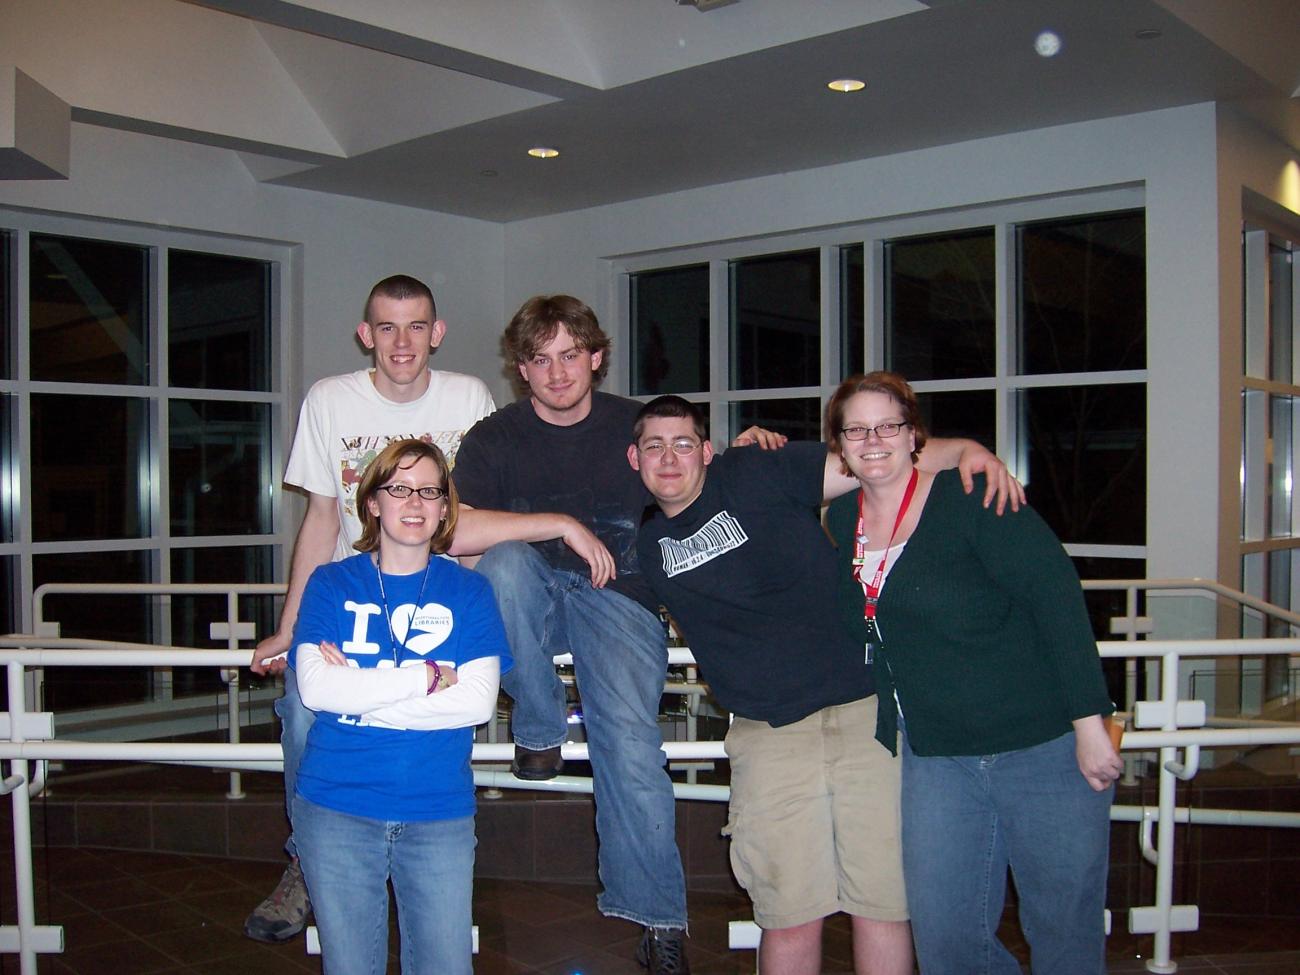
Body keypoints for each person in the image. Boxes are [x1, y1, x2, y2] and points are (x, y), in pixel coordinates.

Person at [452, 295, 1021, 975]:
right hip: (599, 633)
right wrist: (559, 525)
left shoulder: (717, 462)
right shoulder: (516, 452)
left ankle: (657, 918)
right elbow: (451, 533)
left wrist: (969, 451)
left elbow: (876, 459)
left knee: (637, 750)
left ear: (597, 357)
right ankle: (539, 726)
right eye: (540, 358)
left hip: (763, 661)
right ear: (522, 368)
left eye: (571, 353)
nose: (557, 371)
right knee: (507, 560)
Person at [246, 275, 611, 943]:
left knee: (436, 716)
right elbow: (322, 517)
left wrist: (459, 613)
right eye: (387, 327)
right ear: (367, 335)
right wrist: (292, 625)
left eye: (416, 326)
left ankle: (424, 850)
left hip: (438, 599)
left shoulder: (468, 397)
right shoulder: (329, 399)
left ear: (436, 333)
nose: (402, 341)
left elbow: (469, 515)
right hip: (349, 598)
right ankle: (305, 858)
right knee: (304, 706)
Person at [823, 371, 1122, 975]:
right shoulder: (837, 522)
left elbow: (1056, 598)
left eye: (889, 425)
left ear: (915, 437)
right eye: (857, 428)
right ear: (840, 445)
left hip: (1042, 745)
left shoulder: (971, 496)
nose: (873, 439)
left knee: (1062, 926)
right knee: (947, 938)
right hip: (938, 758)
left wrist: (1090, 723)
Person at [290, 438, 511, 974]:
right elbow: (316, 691)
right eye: (399, 489)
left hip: (438, 810)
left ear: (443, 507)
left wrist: (360, 697)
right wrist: (428, 677)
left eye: (429, 491)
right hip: (336, 806)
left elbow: (477, 703)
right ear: (372, 502)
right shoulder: (331, 582)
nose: (414, 503)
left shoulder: (471, 592)